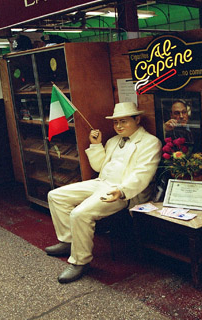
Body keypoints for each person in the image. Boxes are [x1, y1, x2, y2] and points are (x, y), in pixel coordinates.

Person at [45, 102, 162, 283]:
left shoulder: (150, 143)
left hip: (123, 191)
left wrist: (122, 191)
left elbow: (143, 175)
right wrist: (96, 145)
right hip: (101, 183)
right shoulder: (113, 141)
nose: (119, 126)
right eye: (115, 123)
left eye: (124, 121)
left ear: (137, 119)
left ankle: (80, 261)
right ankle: (69, 242)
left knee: (79, 214)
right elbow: (99, 167)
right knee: (55, 196)